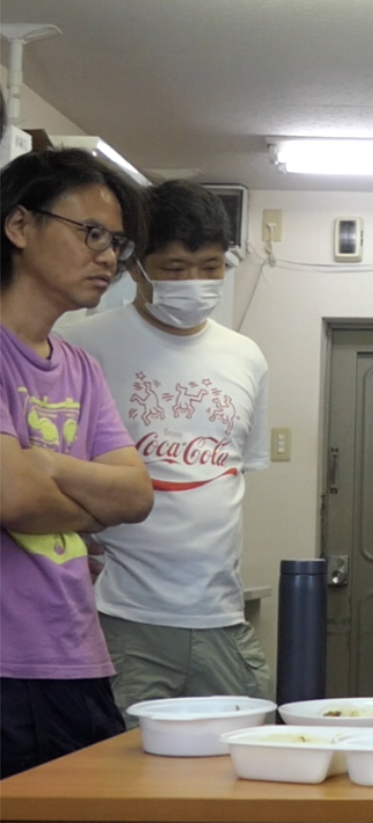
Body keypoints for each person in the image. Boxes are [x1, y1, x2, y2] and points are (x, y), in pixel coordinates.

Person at [57, 180, 272, 724]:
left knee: (244, 760)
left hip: (222, 616)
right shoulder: (83, 347)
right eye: (174, 268)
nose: (194, 282)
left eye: (210, 266)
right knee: (121, 766)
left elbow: (231, 479)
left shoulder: (246, 357)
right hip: (120, 616)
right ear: (135, 265)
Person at [1, 148, 154, 777]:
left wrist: (46, 464)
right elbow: (12, 496)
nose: (109, 257)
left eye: (116, 241)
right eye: (91, 233)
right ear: (19, 225)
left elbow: (137, 497)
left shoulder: (80, 366)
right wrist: (92, 503)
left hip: (78, 657)